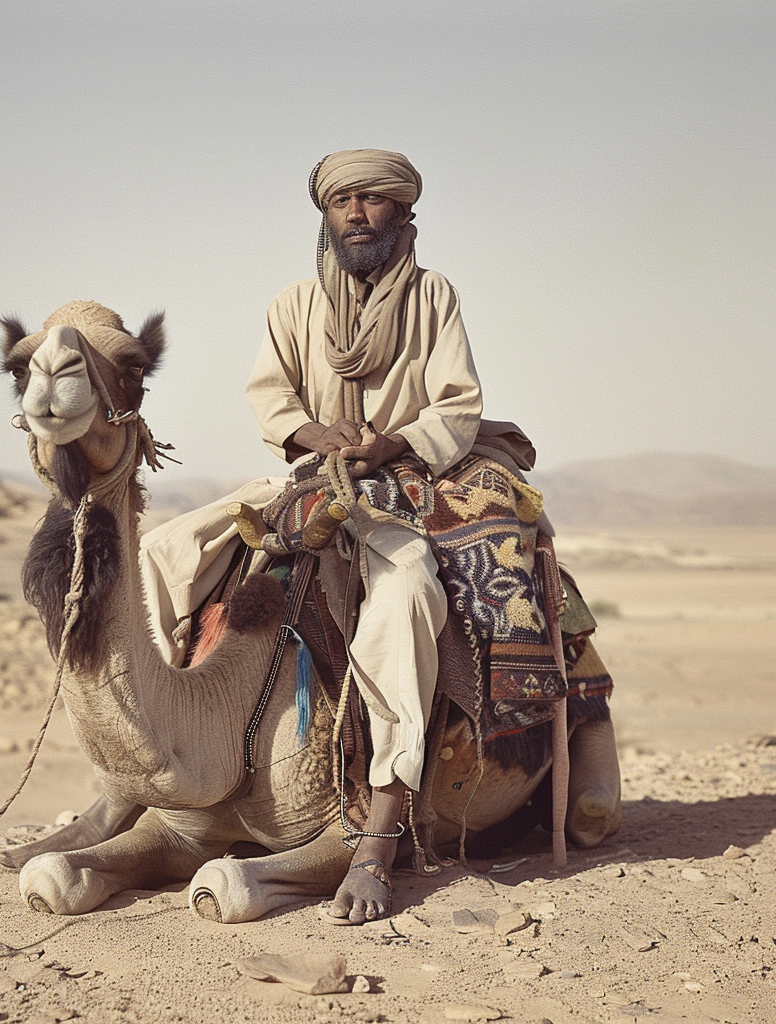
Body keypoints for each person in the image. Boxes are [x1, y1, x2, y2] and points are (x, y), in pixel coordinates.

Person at [243, 149, 483, 923]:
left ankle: (381, 830)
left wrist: (387, 444)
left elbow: (457, 406)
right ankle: (139, 782)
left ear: (403, 215)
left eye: (373, 199)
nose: (355, 211)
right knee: (175, 557)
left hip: (402, 487)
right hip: (315, 478)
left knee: (408, 592)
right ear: (325, 212)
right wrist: (320, 431)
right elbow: (270, 396)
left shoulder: (434, 298)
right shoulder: (292, 305)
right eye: (342, 198)